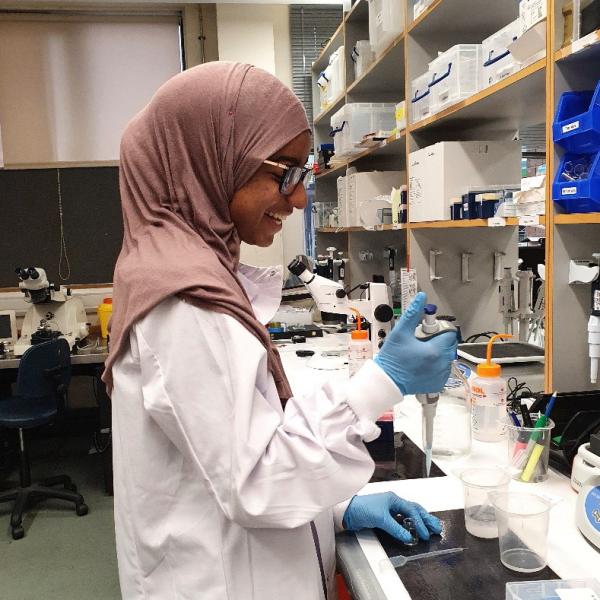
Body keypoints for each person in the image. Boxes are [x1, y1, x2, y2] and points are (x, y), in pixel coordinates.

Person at [103, 62, 457, 600]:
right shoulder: (182, 306)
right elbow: (258, 482)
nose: (297, 200)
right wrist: (382, 382)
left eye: (303, 175)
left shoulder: (196, 277)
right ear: (211, 159)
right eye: (283, 173)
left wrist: (337, 510)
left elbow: (231, 453)